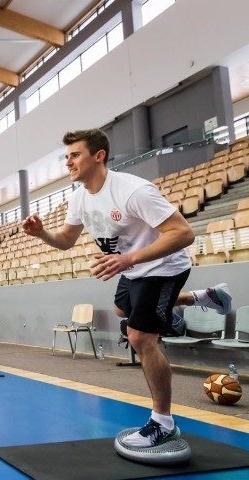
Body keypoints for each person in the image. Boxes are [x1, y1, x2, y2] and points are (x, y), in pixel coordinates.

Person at [22, 128, 232, 453]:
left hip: (163, 266)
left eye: (74, 155)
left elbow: (183, 233)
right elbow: (65, 240)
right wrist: (42, 234)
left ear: (98, 155)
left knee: (139, 337)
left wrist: (128, 259)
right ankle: (203, 297)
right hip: (131, 267)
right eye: (66, 157)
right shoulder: (79, 197)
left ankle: (163, 423)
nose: (68, 162)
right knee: (123, 309)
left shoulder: (134, 191)